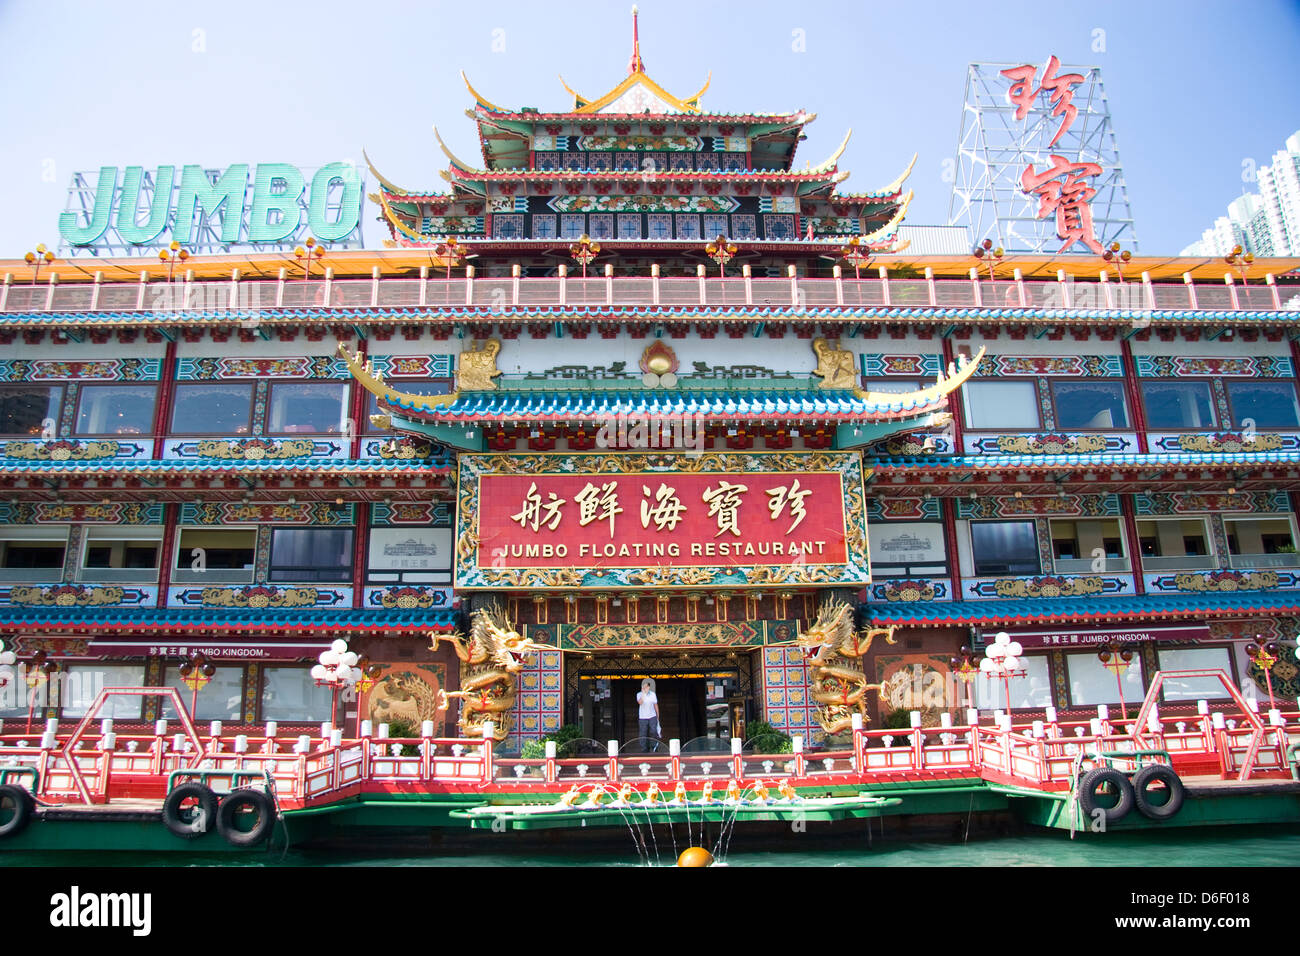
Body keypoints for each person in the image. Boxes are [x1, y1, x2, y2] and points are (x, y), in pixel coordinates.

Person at [636, 678, 661, 753]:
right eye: (643, 687)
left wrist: (658, 716)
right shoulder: (639, 694)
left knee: (653, 731)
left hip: (652, 716)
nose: (644, 688)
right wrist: (643, 694)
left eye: (646, 687)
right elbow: (640, 702)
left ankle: (654, 748)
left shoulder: (653, 694)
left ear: (649, 687)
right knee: (643, 733)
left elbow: (656, 705)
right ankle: (644, 749)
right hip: (643, 717)